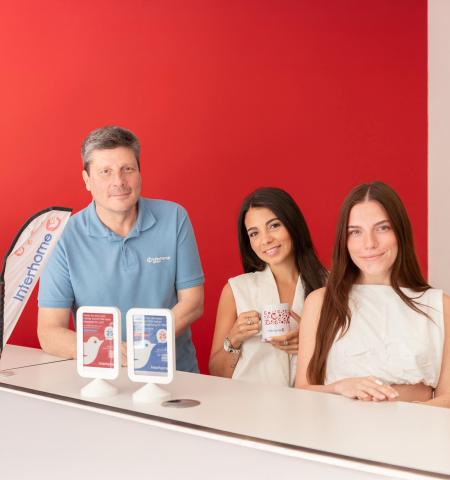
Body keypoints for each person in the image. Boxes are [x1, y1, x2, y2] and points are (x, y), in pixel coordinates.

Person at [37, 126, 204, 372]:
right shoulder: (62, 237)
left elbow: (193, 303)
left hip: (175, 375)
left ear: (139, 173)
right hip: (100, 380)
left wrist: (142, 349)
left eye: (128, 169)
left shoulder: (174, 218)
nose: (119, 181)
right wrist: (113, 351)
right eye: (105, 172)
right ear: (87, 180)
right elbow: (49, 332)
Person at [295, 181, 450, 407]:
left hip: (415, 428)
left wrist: (403, 420)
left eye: (382, 228)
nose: (369, 243)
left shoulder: (439, 305)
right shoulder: (320, 301)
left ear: (400, 232)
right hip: (338, 428)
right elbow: (303, 390)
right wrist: (339, 387)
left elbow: (448, 398)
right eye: (356, 232)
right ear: (344, 241)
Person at [209, 187, 327, 386]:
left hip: (308, 402)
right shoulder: (236, 290)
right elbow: (217, 374)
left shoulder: (330, 286)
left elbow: (351, 364)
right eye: (254, 233)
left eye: (274, 225)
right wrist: (234, 339)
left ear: (292, 224)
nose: (265, 240)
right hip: (248, 402)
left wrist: (313, 346)